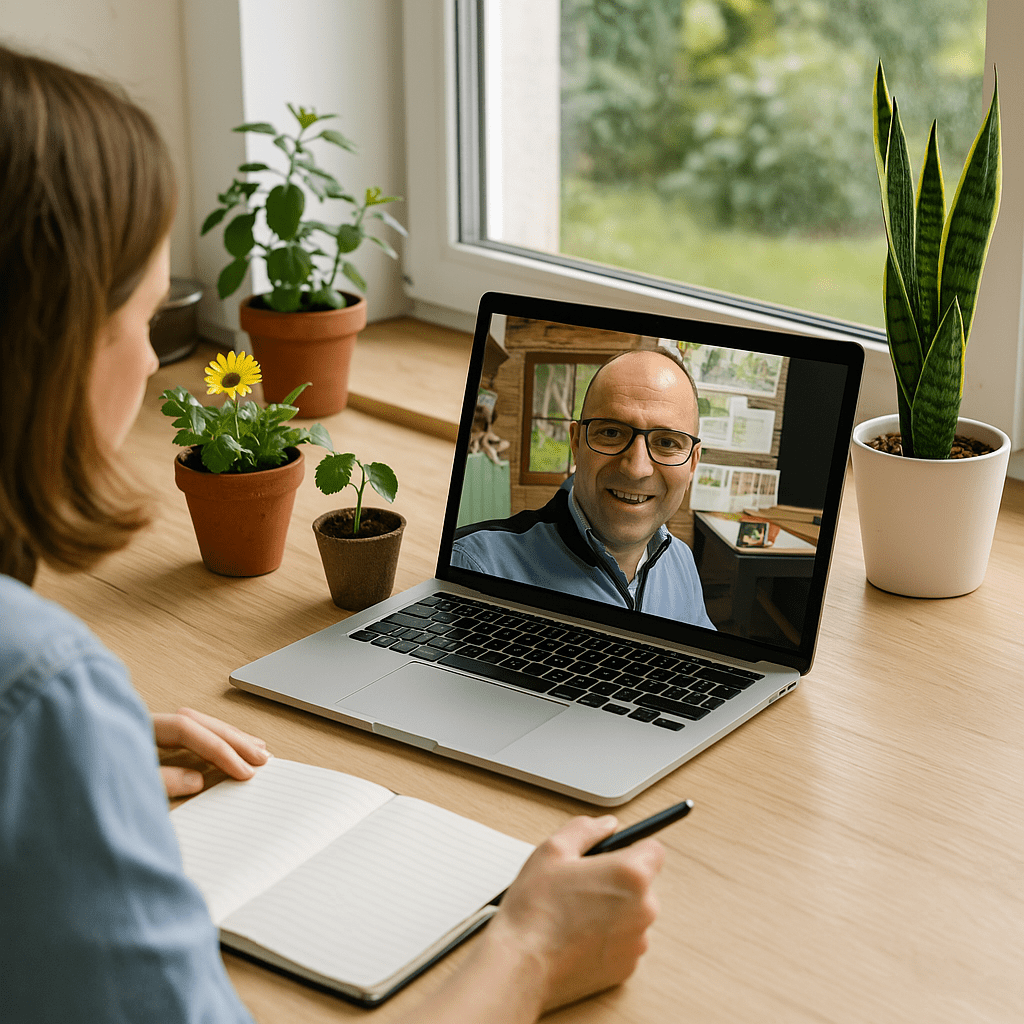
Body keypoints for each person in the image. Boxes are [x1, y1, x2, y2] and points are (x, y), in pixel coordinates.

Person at [0, 44, 664, 1024]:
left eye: (667, 444)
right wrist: (527, 953)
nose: (150, 365)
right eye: (144, 317)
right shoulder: (40, 682)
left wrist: (57, 779)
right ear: (45, 343)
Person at [452, 350, 715, 627]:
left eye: (667, 443)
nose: (637, 469)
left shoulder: (682, 561)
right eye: (612, 432)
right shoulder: (475, 565)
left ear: (693, 463)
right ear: (576, 444)